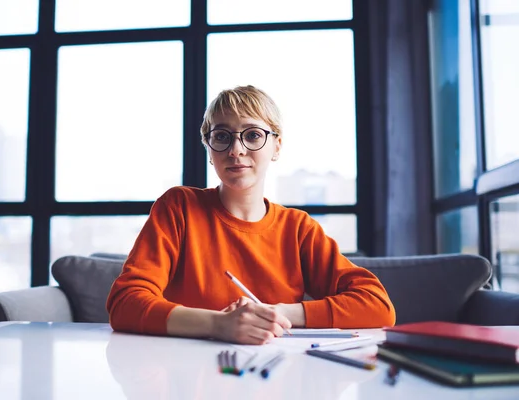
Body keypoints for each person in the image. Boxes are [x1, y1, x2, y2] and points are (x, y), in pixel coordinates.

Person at [106, 85, 395, 345]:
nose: (236, 150)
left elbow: (377, 306)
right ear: (208, 148)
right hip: (181, 372)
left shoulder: (297, 229)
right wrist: (218, 324)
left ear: (276, 146)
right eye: (221, 136)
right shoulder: (179, 207)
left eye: (253, 135)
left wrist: (275, 313)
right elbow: (125, 304)